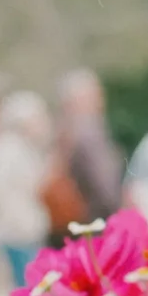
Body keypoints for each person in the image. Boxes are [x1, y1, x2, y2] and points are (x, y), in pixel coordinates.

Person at [0, 90, 52, 289]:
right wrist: (19, 220)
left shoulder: (26, 148)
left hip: (25, 234)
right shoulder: (6, 148)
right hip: (13, 235)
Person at [52, 69, 125, 229]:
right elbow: (105, 187)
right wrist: (122, 213)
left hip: (79, 223)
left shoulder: (64, 133)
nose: (101, 101)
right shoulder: (88, 132)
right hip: (100, 222)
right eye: (96, 94)